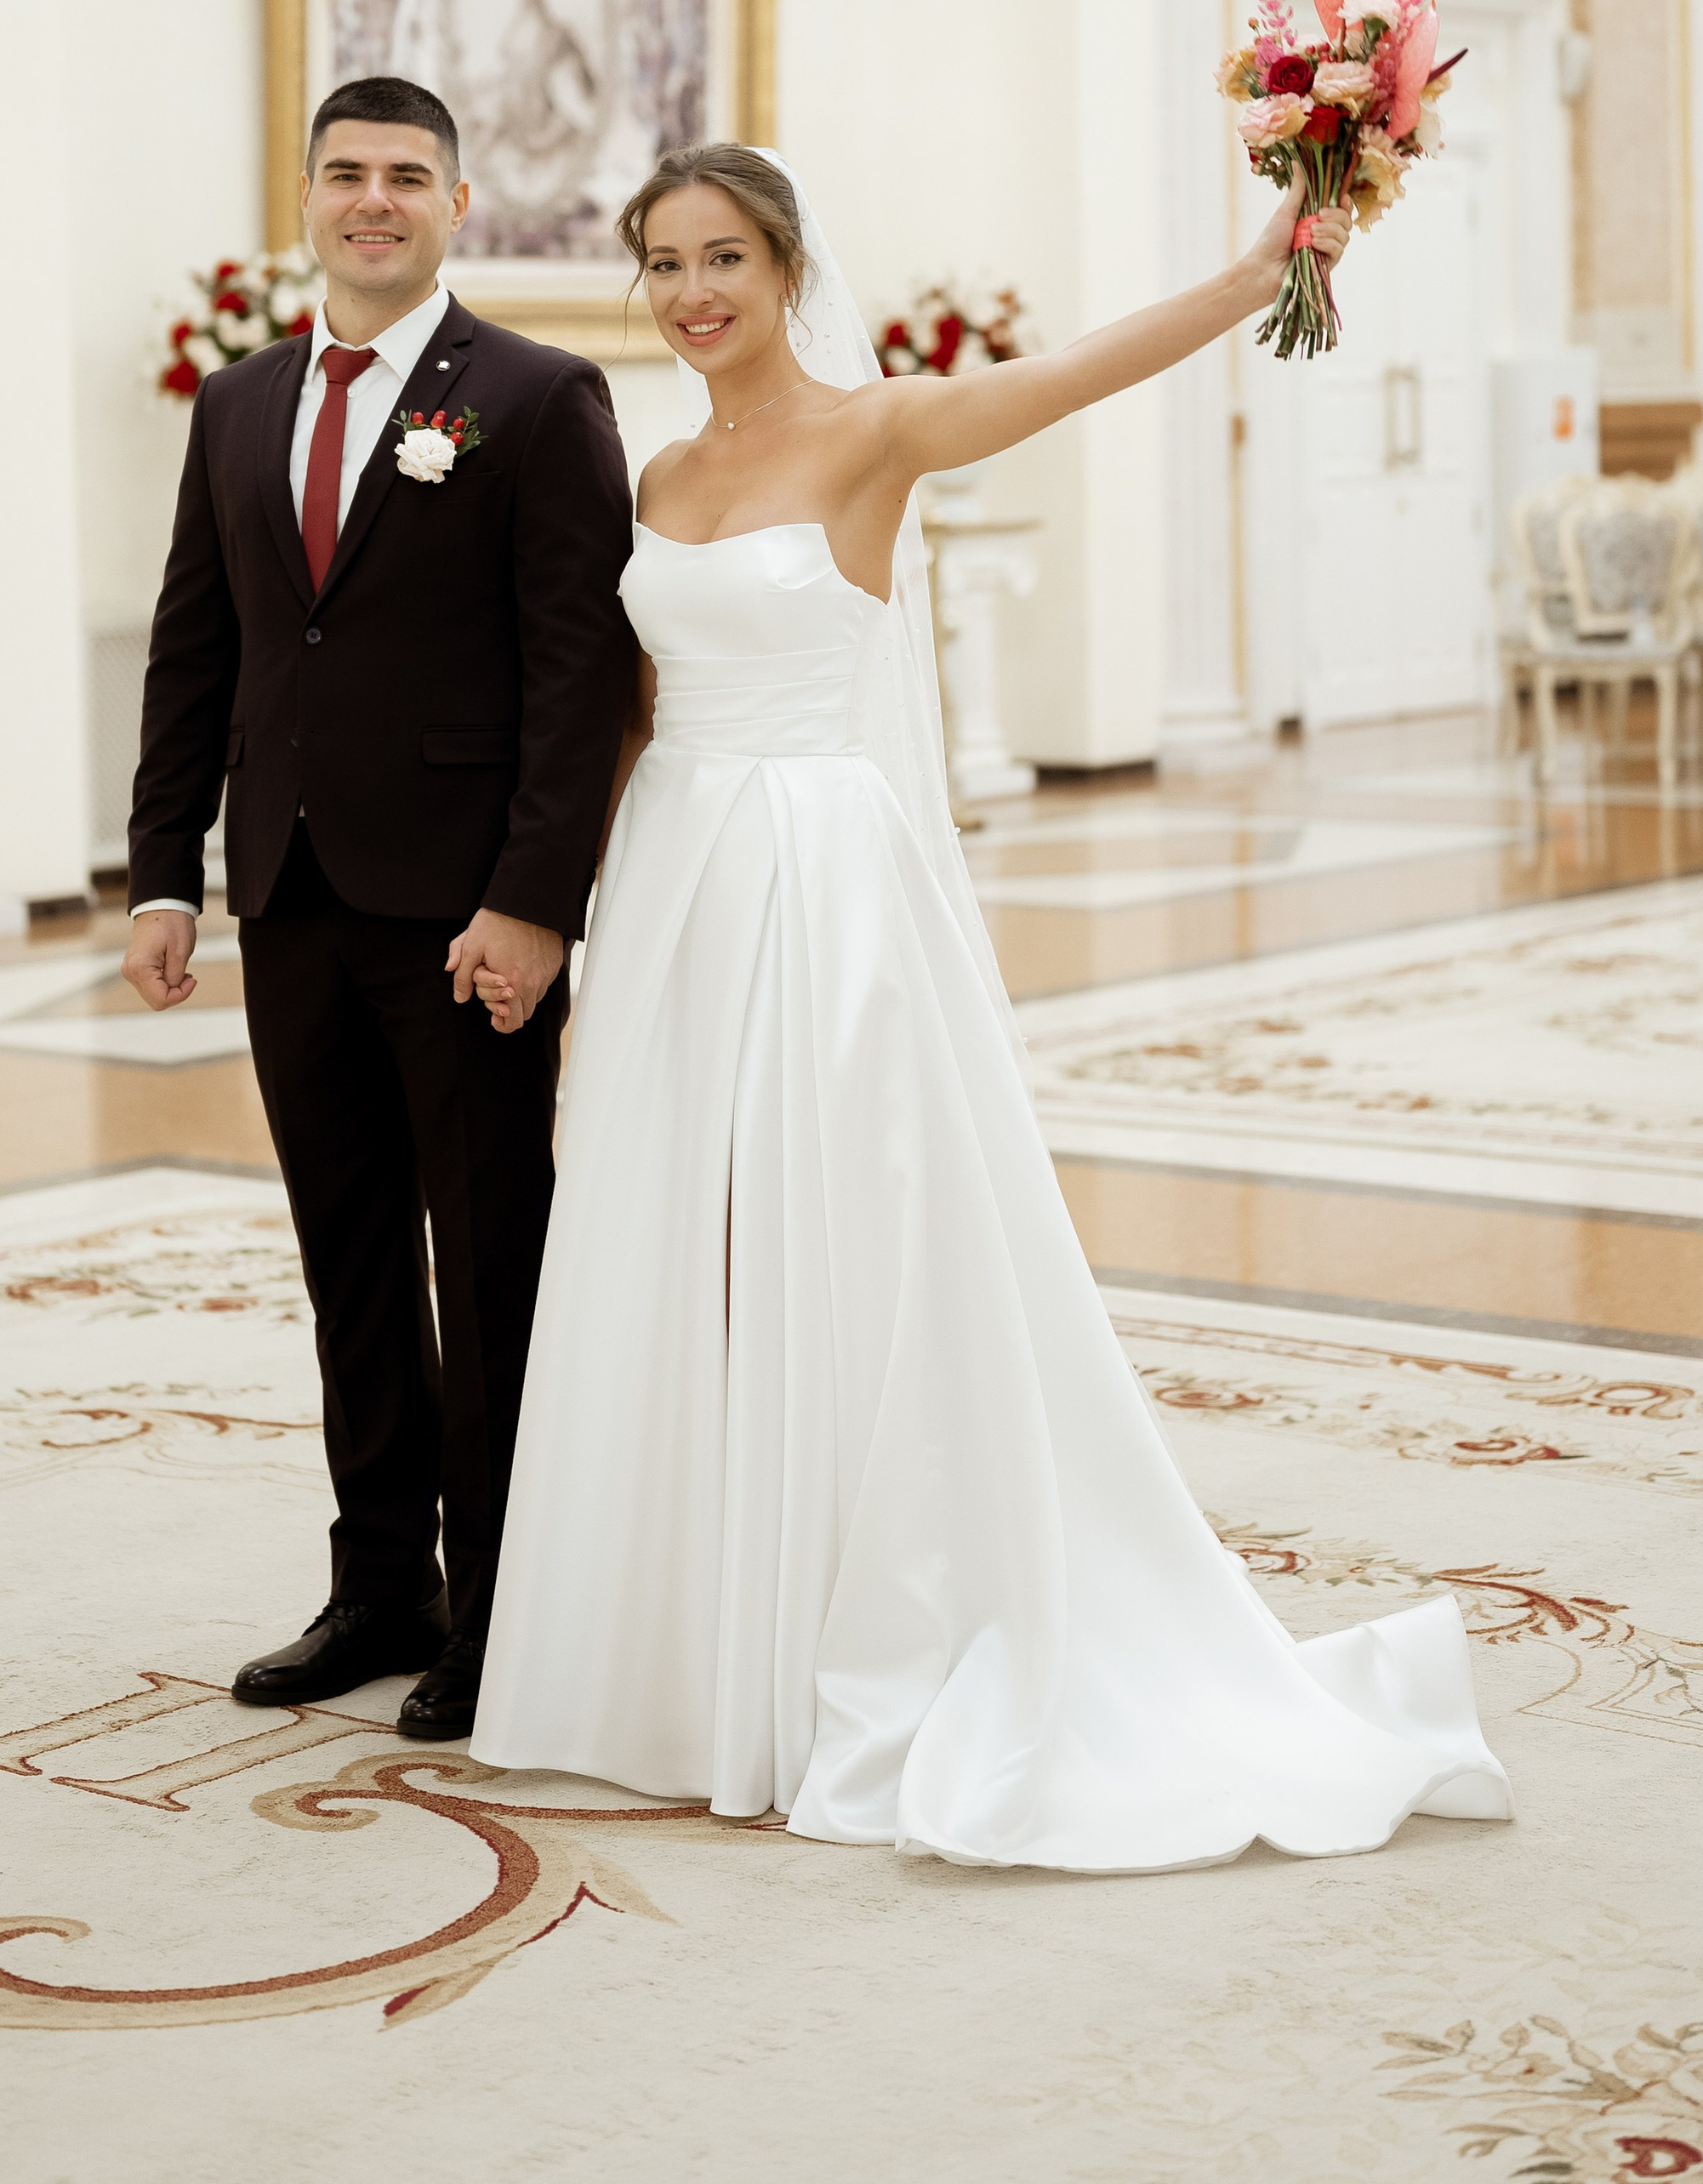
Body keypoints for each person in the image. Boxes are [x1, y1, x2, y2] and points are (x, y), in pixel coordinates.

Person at [470, 142, 1512, 1873]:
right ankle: (674, 1658)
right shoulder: (651, 471)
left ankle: (849, 1631)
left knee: (843, 1234)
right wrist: (568, 923)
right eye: (660, 263)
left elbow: (1073, 375)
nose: (688, 293)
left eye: (719, 255)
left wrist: (1259, 273)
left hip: (824, 878)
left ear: (787, 264)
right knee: (681, 1240)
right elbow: (629, 714)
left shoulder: (874, 433)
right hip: (672, 882)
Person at [122, 77, 636, 1741]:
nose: (372, 200)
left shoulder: (539, 397)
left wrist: (535, 900)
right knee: (346, 1248)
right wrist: (159, 870)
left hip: (466, 916)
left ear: (458, 204)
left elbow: (577, 678)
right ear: (304, 194)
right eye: (345, 173)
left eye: (405, 176)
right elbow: (196, 649)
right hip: (286, 888)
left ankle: (501, 1607)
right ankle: (378, 1588)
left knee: (488, 1260)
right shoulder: (238, 401)